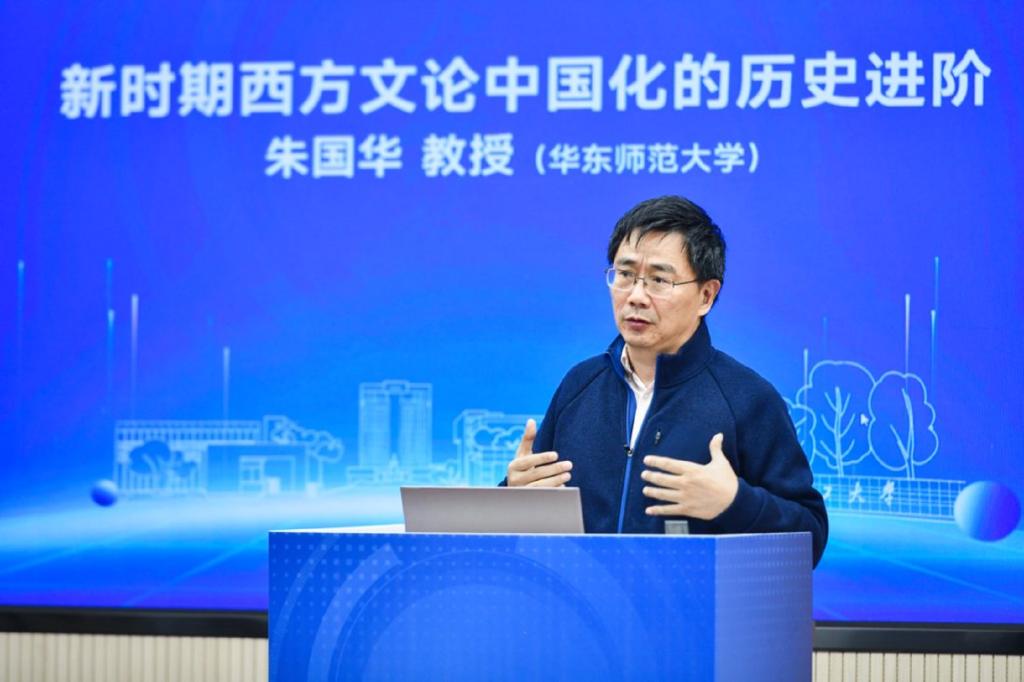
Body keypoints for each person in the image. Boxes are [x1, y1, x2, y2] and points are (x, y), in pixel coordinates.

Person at [503, 195, 828, 567]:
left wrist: (735, 503)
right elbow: (527, 529)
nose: (636, 296)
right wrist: (514, 495)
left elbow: (811, 538)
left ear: (706, 295)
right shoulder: (580, 385)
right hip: (584, 602)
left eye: (659, 280)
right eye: (625, 275)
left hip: (694, 605)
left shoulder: (747, 399)